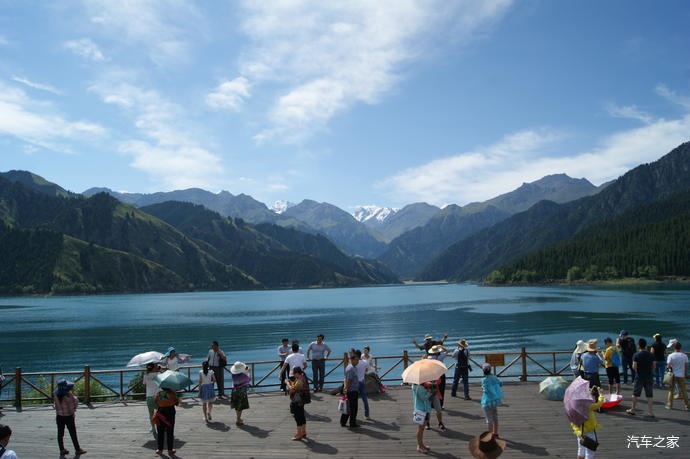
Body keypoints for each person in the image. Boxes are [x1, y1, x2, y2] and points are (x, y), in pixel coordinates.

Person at [53, 380, 86, 456]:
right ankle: (77, 449)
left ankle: (62, 449)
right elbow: (74, 405)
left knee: (60, 433)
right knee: (73, 433)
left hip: (59, 416)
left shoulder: (56, 395)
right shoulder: (69, 396)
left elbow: (55, 405)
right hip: (69, 417)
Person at [571, 386, 604, 459]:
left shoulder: (574, 404)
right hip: (589, 430)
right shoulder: (587, 406)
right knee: (590, 451)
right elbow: (599, 404)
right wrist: (601, 394)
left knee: (581, 450)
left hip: (579, 430)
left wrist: (591, 392)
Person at [627, 338, 655, 417]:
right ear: (645, 345)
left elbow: (634, 367)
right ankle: (650, 412)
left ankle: (633, 410)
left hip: (639, 376)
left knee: (635, 394)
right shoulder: (651, 355)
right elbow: (654, 366)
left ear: (639, 345)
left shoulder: (636, 355)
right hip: (649, 376)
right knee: (649, 395)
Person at [153, 385, 179, 455]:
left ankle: (160, 449)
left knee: (160, 431)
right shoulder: (172, 394)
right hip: (170, 412)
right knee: (170, 431)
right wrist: (175, 394)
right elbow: (177, 403)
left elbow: (155, 402)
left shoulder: (159, 394)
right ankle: (170, 450)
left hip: (161, 412)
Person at [480, 364, 504, 438]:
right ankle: (495, 433)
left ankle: (490, 435)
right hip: (495, 400)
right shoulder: (494, 377)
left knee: (489, 419)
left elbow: (485, 390)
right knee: (495, 417)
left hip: (487, 401)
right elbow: (500, 384)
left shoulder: (484, 380)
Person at [665, 341, 689, 410]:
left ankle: (669, 405)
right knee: (684, 391)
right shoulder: (684, 355)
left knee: (671, 390)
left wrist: (671, 368)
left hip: (673, 375)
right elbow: (686, 366)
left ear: (674, 347)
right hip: (681, 375)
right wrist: (685, 373)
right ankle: (687, 406)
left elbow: (668, 365)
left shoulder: (671, 355)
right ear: (680, 348)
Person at [411, 382, 434, 453]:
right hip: (421, 410)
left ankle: (422, 445)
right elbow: (424, 398)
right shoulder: (419, 387)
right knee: (420, 429)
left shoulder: (418, 386)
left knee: (422, 428)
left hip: (423, 409)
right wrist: (430, 392)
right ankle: (419, 446)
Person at [287, 366, 309, 440]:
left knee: (298, 417)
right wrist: (291, 382)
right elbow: (296, 386)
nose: (293, 375)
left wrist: (287, 383)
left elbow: (293, 390)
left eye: (294, 373)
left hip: (297, 401)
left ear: (296, 373)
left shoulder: (299, 381)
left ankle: (299, 434)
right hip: (302, 401)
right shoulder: (303, 377)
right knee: (302, 416)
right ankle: (303, 431)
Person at [340, 353, 360, 428]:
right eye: (356, 360)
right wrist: (346, 388)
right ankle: (351, 423)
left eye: (358, 360)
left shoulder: (354, 367)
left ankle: (347, 422)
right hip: (351, 390)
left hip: (354, 389)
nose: (357, 361)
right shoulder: (350, 368)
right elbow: (349, 380)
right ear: (351, 359)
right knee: (352, 407)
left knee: (350, 407)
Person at [230, 361, 251, 426]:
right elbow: (248, 379)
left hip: (234, 391)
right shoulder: (244, 376)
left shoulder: (233, 375)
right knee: (240, 406)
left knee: (237, 405)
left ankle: (238, 419)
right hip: (241, 391)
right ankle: (238, 419)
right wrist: (248, 372)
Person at [144, 363, 162, 433]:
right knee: (161, 412)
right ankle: (161, 427)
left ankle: (153, 428)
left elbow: (144, 383)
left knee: (151, 413)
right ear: (154, 368)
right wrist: (160, 371)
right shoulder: (159, 375)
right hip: (158, 396)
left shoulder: (145, 376)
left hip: (149, 397)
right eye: (156, 366)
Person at [354, 349, 371, 419]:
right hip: (362, 381)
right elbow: (367, 370)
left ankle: (353, 415)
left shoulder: (355, 363)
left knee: (354, 399)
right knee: (365, 399)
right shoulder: (364, 362)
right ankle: (367, 415)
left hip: (355, 383)